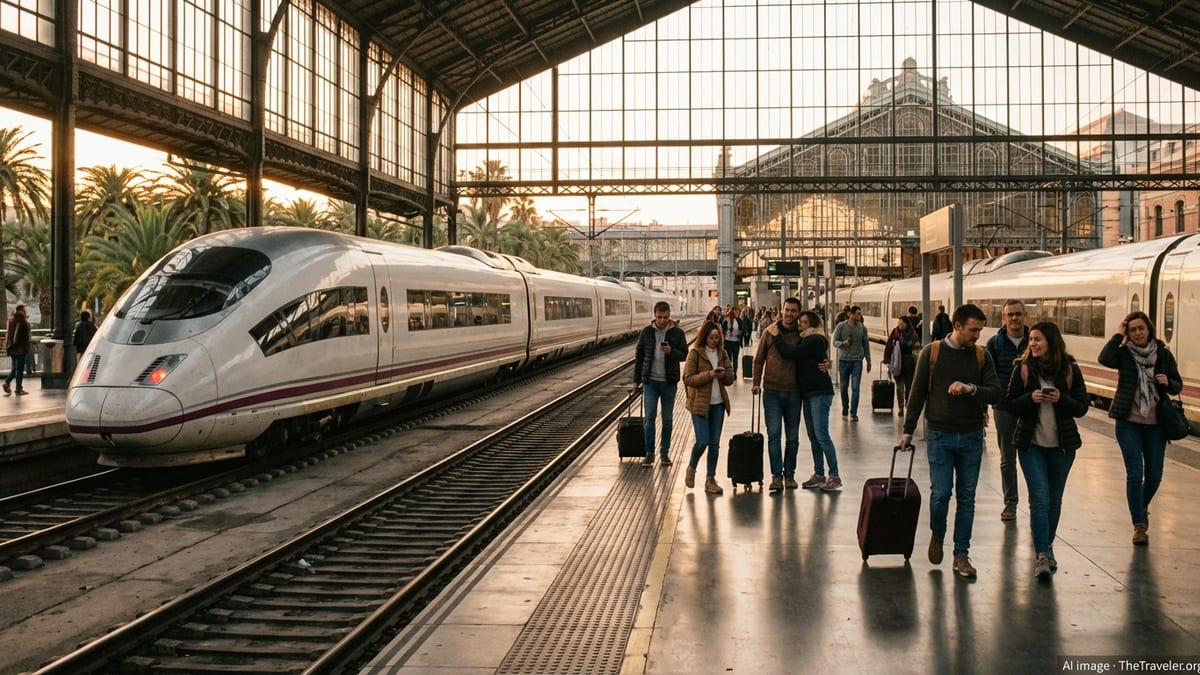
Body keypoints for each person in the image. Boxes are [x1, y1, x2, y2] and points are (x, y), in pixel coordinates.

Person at [898, 303, 1000, 579]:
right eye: (972, 330)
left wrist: (971, 389)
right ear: (957, 326)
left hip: (971, 436)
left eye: (979, 330)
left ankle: (961, 554)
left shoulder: (982, 356)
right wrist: (908, 430)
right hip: (939, 434)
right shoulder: (931, 354)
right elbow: (917, 393)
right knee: (941, 493)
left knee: (967, 497)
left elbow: (995, 392)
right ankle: (937, 533)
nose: (977, 335)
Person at [1006, 321, 1088, 579]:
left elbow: (1082, 407)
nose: (1033, 344)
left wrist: (1060, 399)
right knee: (1039, 499)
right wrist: (1030, 399)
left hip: (1062, 448)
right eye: (1031, 339)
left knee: (1054, 500)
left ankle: (1047, 547)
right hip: (1031, 446)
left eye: (1038, 339)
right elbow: (1009, 404)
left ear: (1052, 342)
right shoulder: (1023, 368)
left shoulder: (1070, 369)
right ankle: (1042, 554)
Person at [1098, 311, 1183, 546]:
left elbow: (1178, 383)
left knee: (1154, 474)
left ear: (1149, 329)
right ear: (1128, 332)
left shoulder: (1163, 354)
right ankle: (1139, 525)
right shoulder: (1123, 354)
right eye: (1132, 330)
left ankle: (1140, 505)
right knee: (1135, 473)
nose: (1137, 333)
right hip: (1128, 423)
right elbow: (1104, 358)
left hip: (1157, 425)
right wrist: (1118, 334)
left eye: (1141, 329)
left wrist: (1168, 382)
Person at [771, 309, 842, 491]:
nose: (799, 325)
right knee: (814, 436)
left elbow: (790, 352)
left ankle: (834, 475)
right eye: (799, 322)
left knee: (822, 435)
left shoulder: (814, 339)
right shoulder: (807, 339)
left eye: (803, 322)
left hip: (819, 393)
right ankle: (819, 474)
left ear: (810, 324)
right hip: (809, 393)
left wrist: (777, 336)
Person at [752, 297, 804, 492]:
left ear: (798, 313)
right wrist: (756, 383)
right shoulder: (770, 332)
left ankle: (789, 474)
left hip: (794, 392)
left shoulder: (802, 334)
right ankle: (776, 476)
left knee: (792, 437)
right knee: (774, 435)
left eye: (793, 311)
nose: (789, 314)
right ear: (781, 311)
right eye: (787, 310)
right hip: (772, 392)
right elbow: (758, 360)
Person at [985, 299, 1029, 522]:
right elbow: (986, 376)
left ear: (1025, 315)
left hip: (1031, 407)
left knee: (1032, 457)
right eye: (1010, 314)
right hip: (1003, 407)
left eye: (1018, 314)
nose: (1014, 318)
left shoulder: (1035, 341)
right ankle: (1010, 502)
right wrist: (983, 406)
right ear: (1003, 318)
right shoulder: (994, 344)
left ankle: (1035, 502)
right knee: (1007, 458)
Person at [682, 322, 737, 494]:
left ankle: (710, 479)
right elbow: (688, 378)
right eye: (711, 337)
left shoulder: (723, 353)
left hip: (718, 404)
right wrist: (709, 375)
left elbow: (731, 377)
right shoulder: (695, 354)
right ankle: (691, 467)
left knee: (714, 444)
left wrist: (724, 376)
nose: (714, 340)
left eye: (717, 337)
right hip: (699, 404)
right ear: (704, 337)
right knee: (702, 440)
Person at [633, 301, 689, 467]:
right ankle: (649, 452)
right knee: (649, 417)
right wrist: (636, 381)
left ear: (669, 315)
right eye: (659, 317)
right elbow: (639, 357)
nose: (662, 321)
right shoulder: (647, 332)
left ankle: (664, 453)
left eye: (665, 317)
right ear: (654, 315)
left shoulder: (677, 333)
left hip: (669, 383)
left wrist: (671, 351)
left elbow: (684, 354)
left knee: (667, 419)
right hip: (650, 382)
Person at [831, 305, 871, 421]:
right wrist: (843, 343)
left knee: (855, 387)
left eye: (860, 313)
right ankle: (845, 408)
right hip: (843, 361)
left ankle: (853, 413)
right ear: (850, 314)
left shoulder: (862, 328)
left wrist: (868, 360)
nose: (860, 316)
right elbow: (834, 342)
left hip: (857, 361)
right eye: (857, 313)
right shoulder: (841, 326)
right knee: (843, 388)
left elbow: (866, 344)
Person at [883, 316, 920, 414]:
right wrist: (886, 359)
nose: (899, 326)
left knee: (908, 386)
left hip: (909, 363)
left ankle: (907, 405)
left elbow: (917, 348)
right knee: (899, 386)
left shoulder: (912, 334)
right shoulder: (896, 332)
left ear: (906, 324)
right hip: (897, 363)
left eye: (901, 324)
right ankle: (901, 408)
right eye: (898, 323)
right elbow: (889, 346)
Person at [4, 305, 32, 396]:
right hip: (20, 349)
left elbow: (8, 334)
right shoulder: (23, 322)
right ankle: (18, 389)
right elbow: (27, 336)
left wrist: (8, 346)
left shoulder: (11, 320)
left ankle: (7, 383)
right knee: (19, 370)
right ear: (22, 311)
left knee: (15, 368)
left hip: (12, 349)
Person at [721, 307, 743, 377]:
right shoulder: (738, 321)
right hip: (736, 342)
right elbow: (742, 329)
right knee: (735, 358)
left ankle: (730, 373)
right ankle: (735, 373)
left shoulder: (725, 321)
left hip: (728, 342)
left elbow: (722, 332)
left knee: (729, 359)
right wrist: (739, 334)